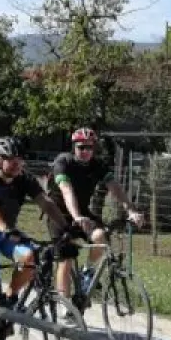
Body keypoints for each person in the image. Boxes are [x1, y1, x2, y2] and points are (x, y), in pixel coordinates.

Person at [0, 135, 71, 340]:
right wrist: (3, 227)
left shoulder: (24, 179)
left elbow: (46, 202)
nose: (17, 164)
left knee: (30, 257)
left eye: (20, 160)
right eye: (11, 160)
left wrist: (65, 226)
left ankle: (10, 299)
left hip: (7, 233)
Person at [46, 127, 145, 301]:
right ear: (74, 147)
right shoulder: (63, 162)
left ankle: (87, 271)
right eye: (81, 147)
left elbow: (115, 187)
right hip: (59, 215)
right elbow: (66, 190)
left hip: (82, 213)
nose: (85, 151)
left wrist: (131, 210)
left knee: (100, 236)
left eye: (90, 147)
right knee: (67, 259)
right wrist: (76, 217)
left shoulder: (97, 165)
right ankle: (66, 305)